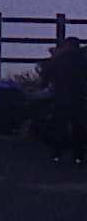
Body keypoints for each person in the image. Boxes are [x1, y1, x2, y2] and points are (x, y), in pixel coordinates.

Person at [41, 36, 87, 164]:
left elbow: (47, 76)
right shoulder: (83, 60)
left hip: (61, 96)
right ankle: (79, 156)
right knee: (79, 127)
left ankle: (56, 154)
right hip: (79, 96)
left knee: (59, 126)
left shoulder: (59, 60)